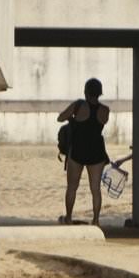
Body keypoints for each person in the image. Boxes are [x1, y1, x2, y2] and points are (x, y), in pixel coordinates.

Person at [57, 78, 110, 226]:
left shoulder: (78, 105)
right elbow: (101, 123)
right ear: (100, 93)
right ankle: (96, 220)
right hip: (97, 152)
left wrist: (72, 116)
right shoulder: (105, 110)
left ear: (85, 91)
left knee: (72, 187)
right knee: (95, 189)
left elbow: (60, 118)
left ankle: (68, 217)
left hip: (78, 151)